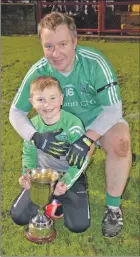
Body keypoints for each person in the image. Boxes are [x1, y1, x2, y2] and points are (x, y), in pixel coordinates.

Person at [9, 12, 132, 238]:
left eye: (63, 44)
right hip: (59, 123)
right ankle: (44, 184)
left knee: (121, 142)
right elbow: (16, 112)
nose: (56, 53)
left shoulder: (95, 63)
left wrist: (88, 138)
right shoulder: (39, 70)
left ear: (75, 41)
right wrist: (35, 137)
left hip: (96, 121)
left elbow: (114, 110)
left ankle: (113, 208)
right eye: (49, 46)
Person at [10, 76, 93, 233]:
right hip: (43, 176)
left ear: (61, 99)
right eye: (40, 99)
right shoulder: (32, 126)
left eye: (52, 98)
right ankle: (48, 200)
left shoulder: (73, 125)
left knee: (78, 226)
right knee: (18, 216)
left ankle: (58, 199)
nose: (47, 104)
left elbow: (81, 160)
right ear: (32, 102)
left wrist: (66, 182)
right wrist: (27, 175)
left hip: (69, 175)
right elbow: (29, 154)